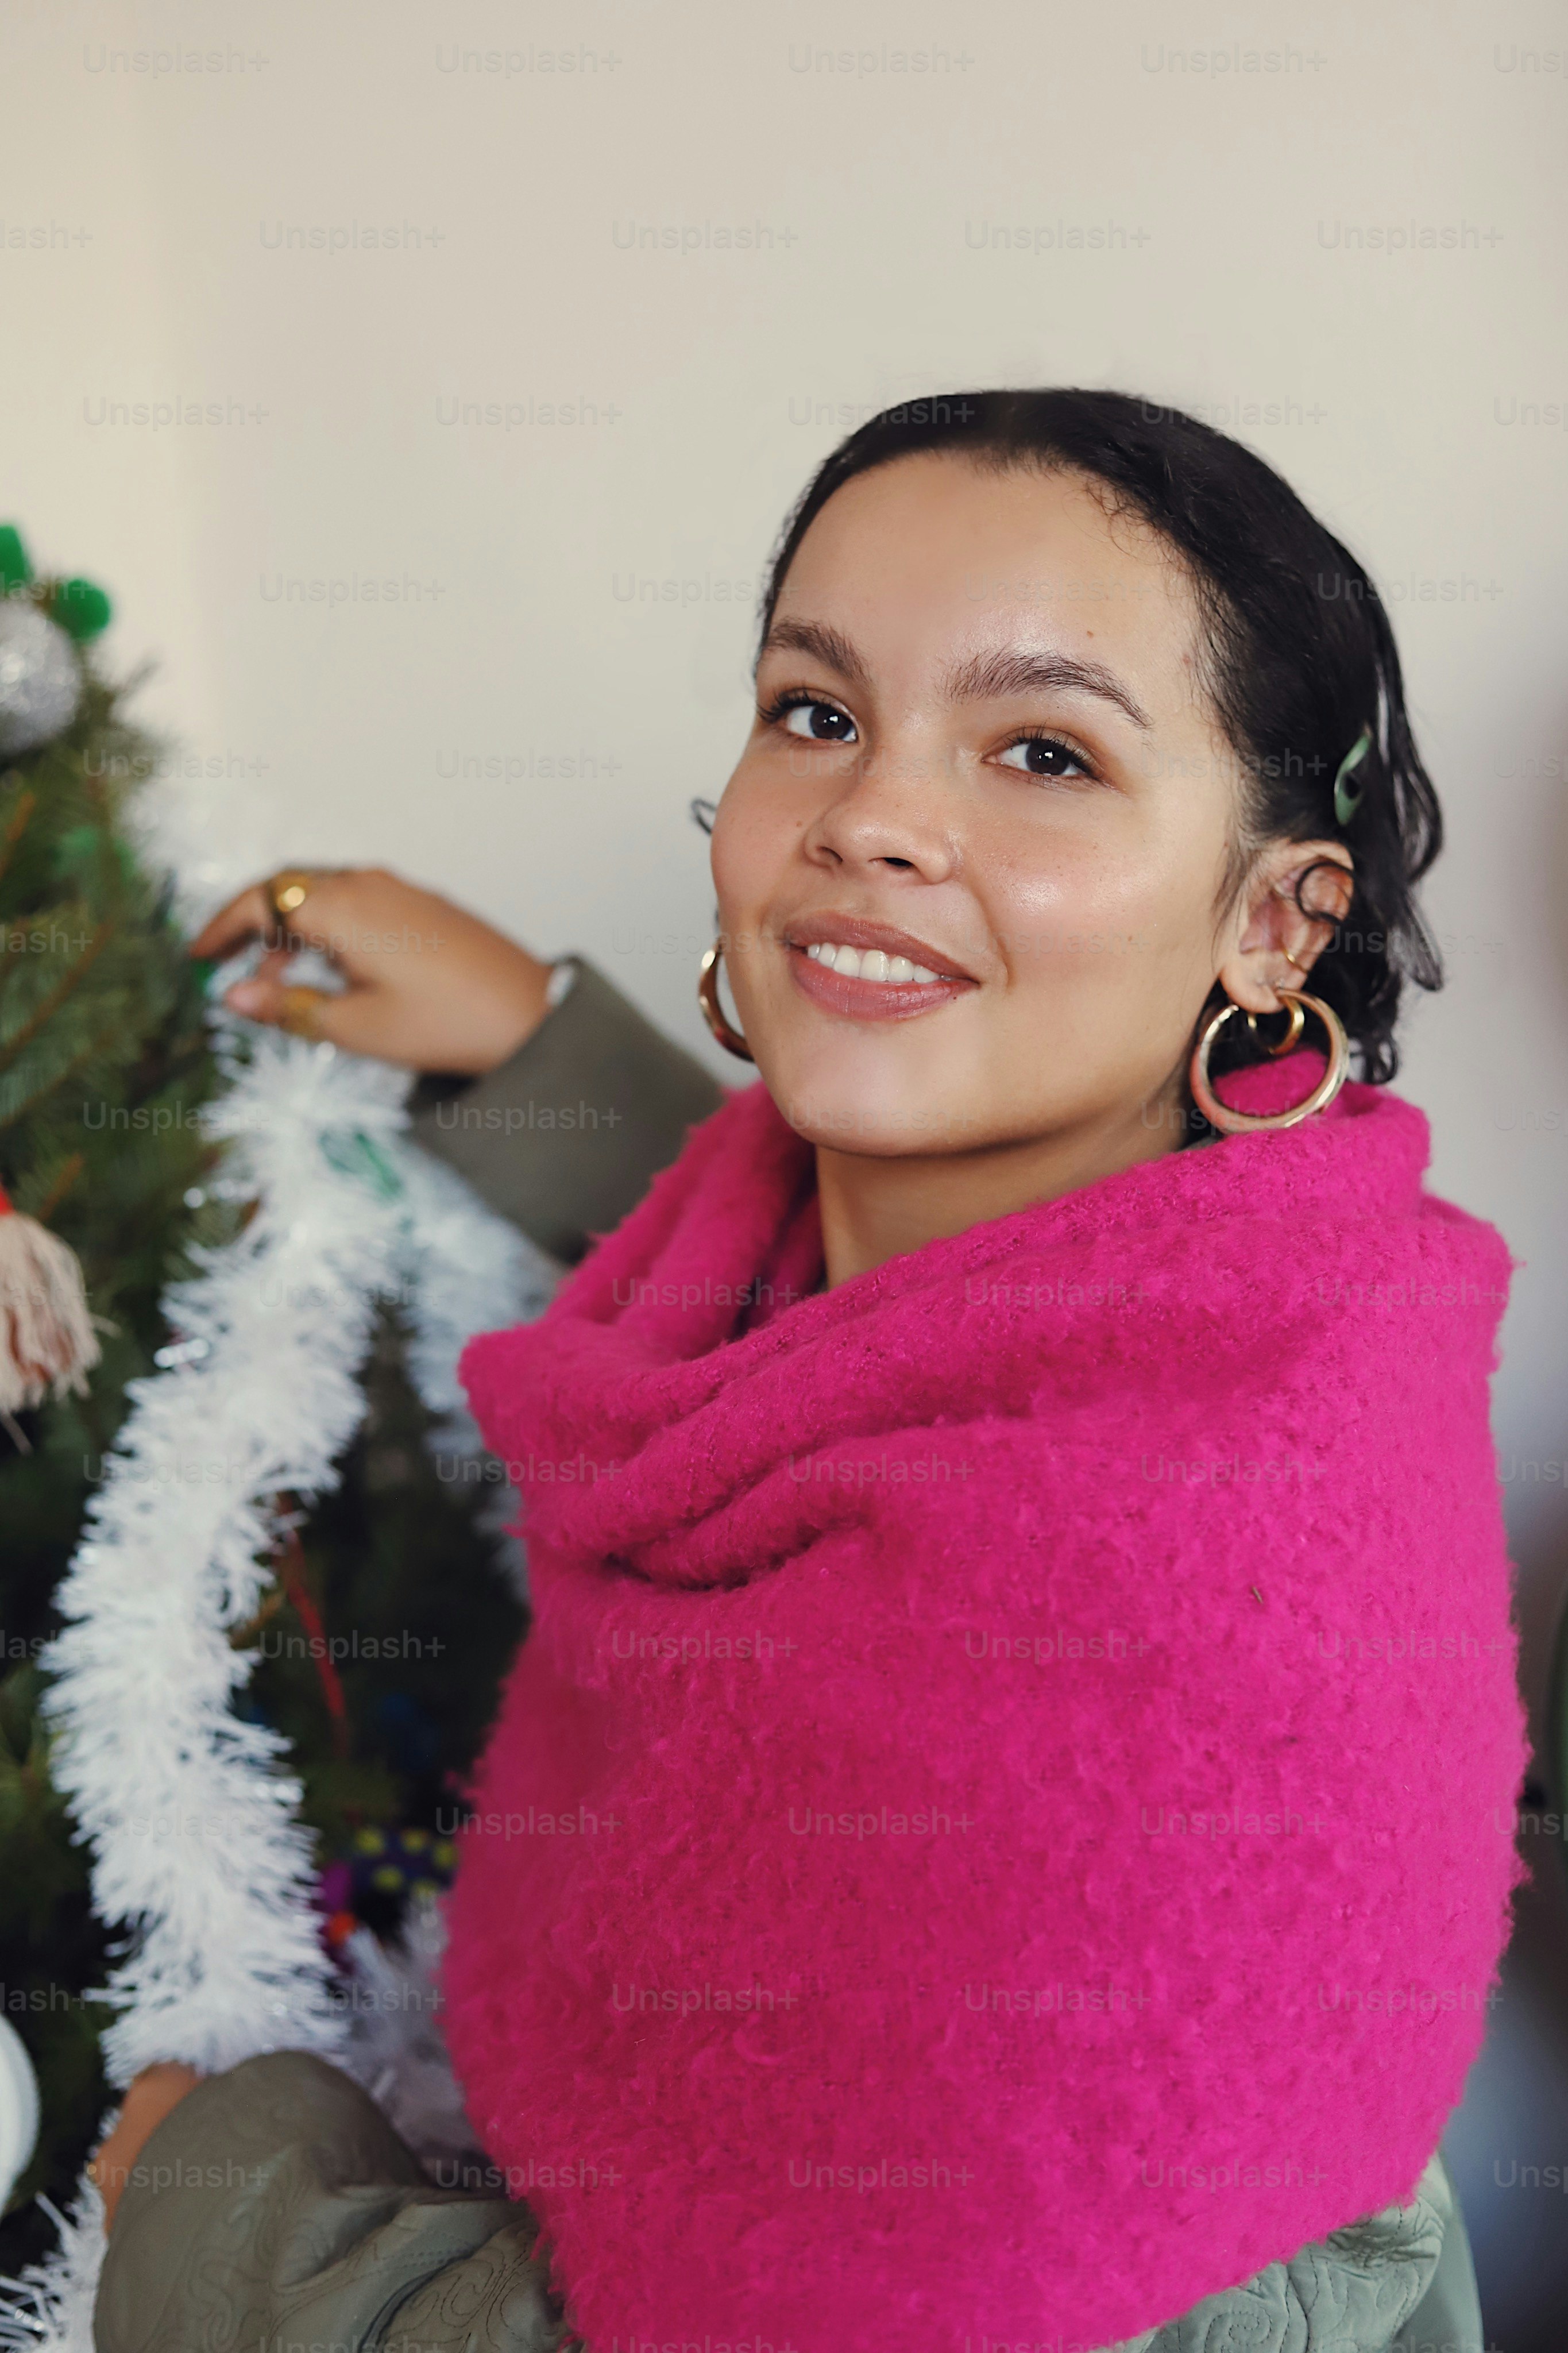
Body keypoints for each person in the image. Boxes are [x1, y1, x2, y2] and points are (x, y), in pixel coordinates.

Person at [90, 391, 1521, 2353]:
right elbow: (848, 1366)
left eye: (1042, 750)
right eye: (816, 712)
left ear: (1272, 920)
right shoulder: (1166, 1273)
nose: (869, 818)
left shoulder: (1164, 1609)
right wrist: (527, 1049)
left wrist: (221, 2200)